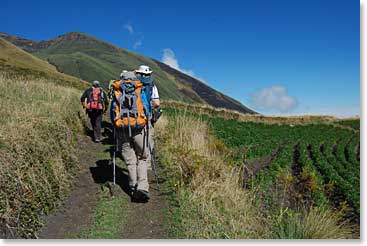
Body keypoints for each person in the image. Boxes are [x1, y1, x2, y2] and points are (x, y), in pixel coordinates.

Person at [110, 71, 151, 202]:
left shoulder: (117, 91)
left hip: (122, 129)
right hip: (139, 129)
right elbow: (147, 108)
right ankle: (143, 187)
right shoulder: (139, 90)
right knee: (143, 157)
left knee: (130, 160)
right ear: (134, 79)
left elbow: (112, 113)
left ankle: (133, 186)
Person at [134, 65, 161, 169]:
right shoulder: (152, 85)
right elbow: (157, 103)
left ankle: (137, 158)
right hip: (146, 115)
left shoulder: (133, 84)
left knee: (136, 136)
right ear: (149, 74)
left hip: (133, 115)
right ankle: (147, 163)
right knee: (149, 138)